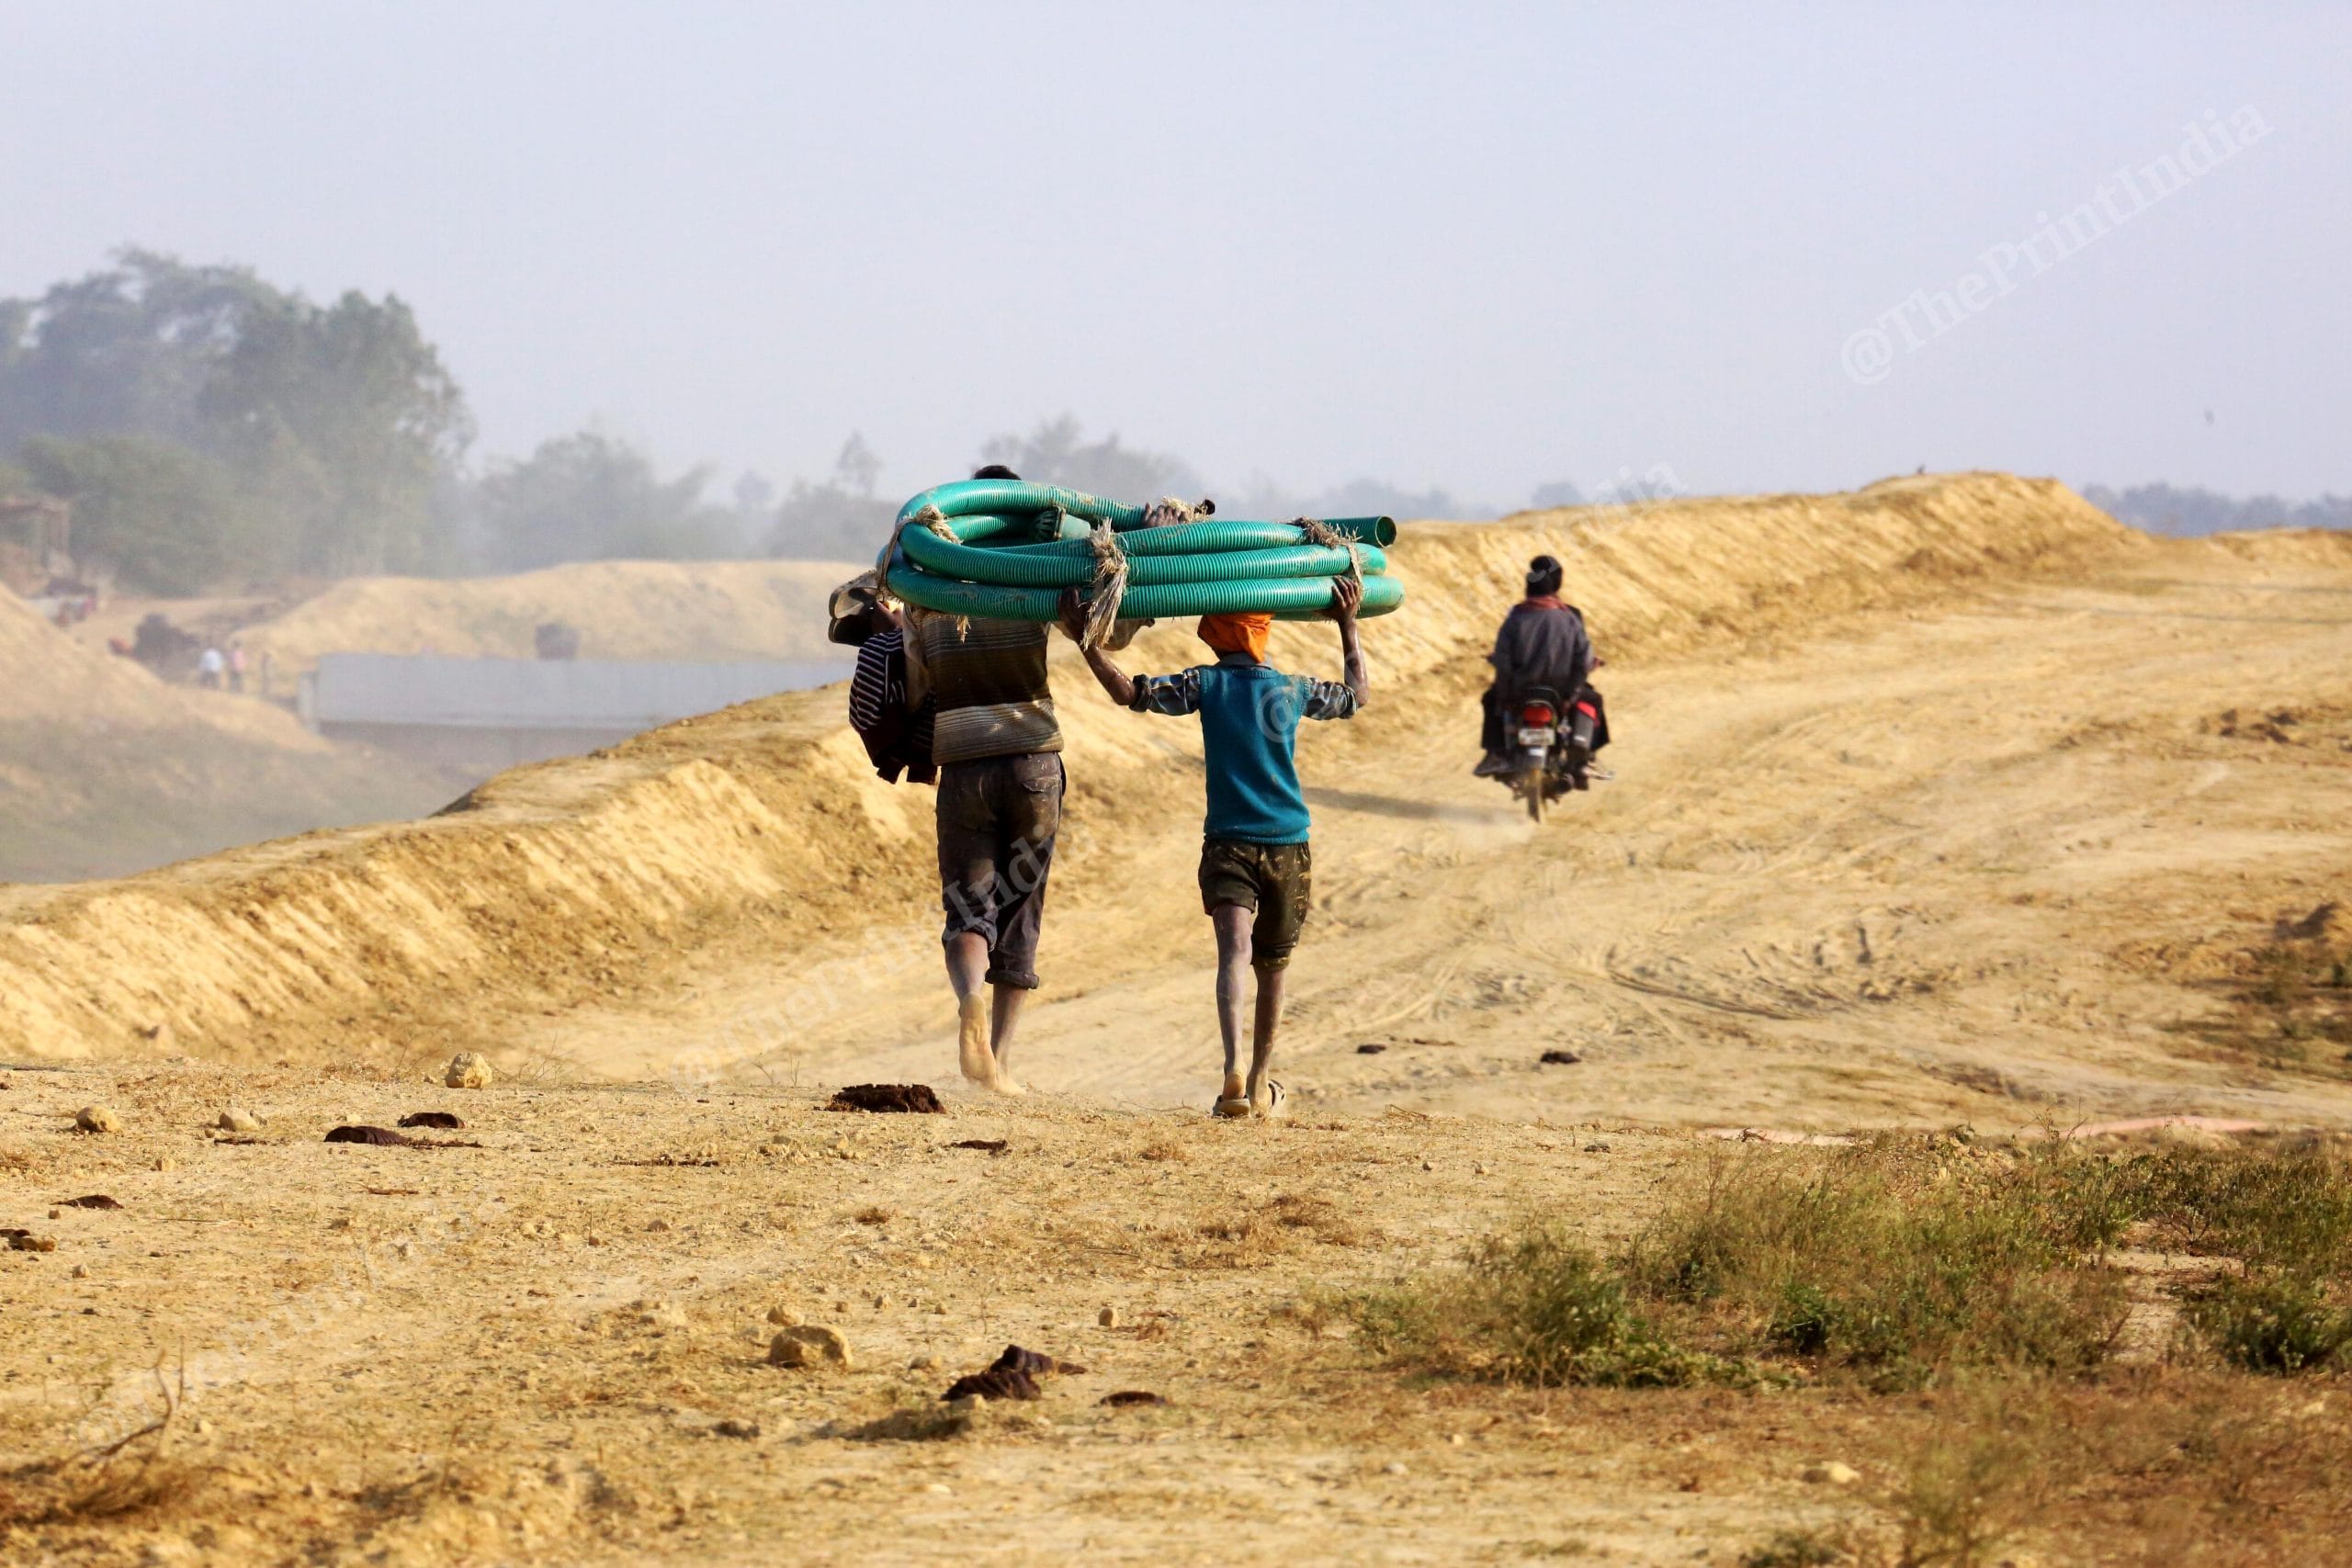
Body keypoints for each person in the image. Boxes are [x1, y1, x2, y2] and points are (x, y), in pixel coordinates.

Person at [1066, 574, 1369, 1119]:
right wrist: (1348, 625)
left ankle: (1231, 1072)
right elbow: (1355, 697)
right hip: (1287, 846)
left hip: (1228, 843)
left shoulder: (1204, 685)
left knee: (1234, 954)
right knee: (1272, 967)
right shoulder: (1293, 689)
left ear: (1218, 633)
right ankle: (1260, 1077)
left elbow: (1128, 692)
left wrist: (1085, 642)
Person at [902, 463, 1068, 1095]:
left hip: (963, 766)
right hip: (1033, 763)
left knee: (970, 910)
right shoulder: (1035, 580)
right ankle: (998, 1060)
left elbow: (918, 687)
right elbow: (1111, 627)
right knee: (1021, 907)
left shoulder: (934, 593)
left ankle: (968, 996)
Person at [1476, 554, 1608, 778]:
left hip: (1522, 688)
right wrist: (1571, 693)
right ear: (1556, 585)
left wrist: (1505, 692)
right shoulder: (1570, 618)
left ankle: (1496, 754)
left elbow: (1504, 660)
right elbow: (1582, 659)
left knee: (1491, 698)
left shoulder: (1515, 617)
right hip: (1561, 690)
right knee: (1593, 699)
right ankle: (1586, 756)